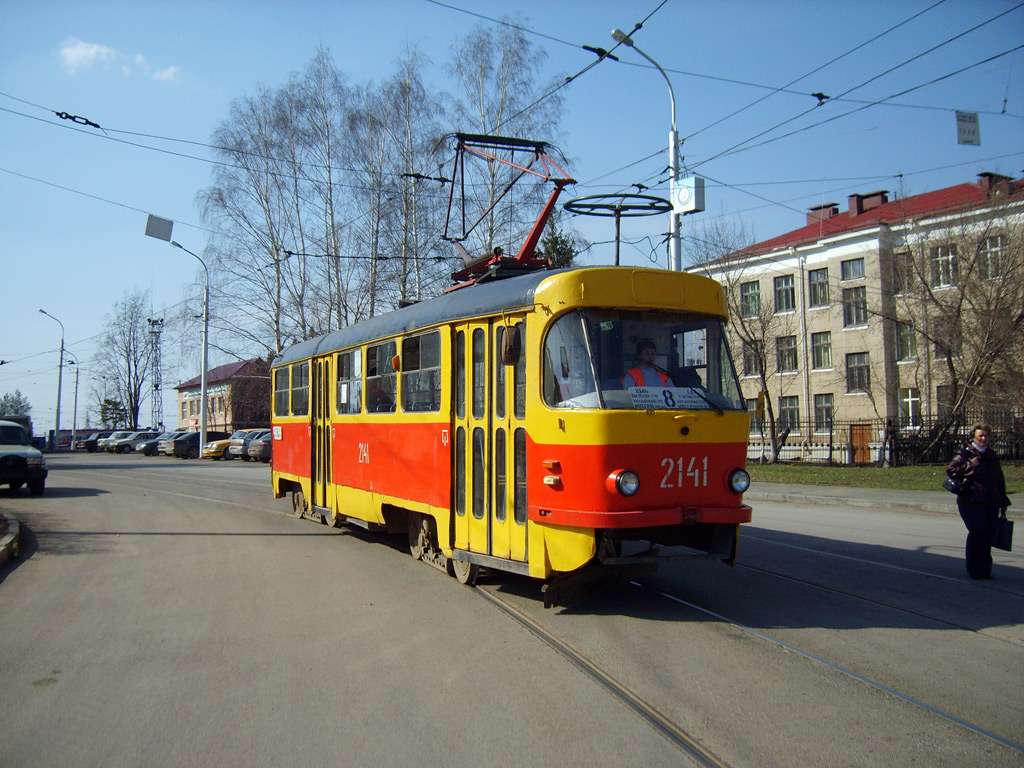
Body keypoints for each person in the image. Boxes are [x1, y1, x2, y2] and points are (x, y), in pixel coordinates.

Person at [946, 424, 1011, 580]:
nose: (983, 438)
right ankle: (974, 569)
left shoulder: (991, 455)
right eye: (980, 435)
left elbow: (998, 479)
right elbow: (951, 470)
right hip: (970, 501)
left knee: (988, 534)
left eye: (986, 436)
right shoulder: (966, 453)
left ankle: (985, 570)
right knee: (978, 532)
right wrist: (970, 465)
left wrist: (1002, 501)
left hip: (990, 501)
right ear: (973, 437)